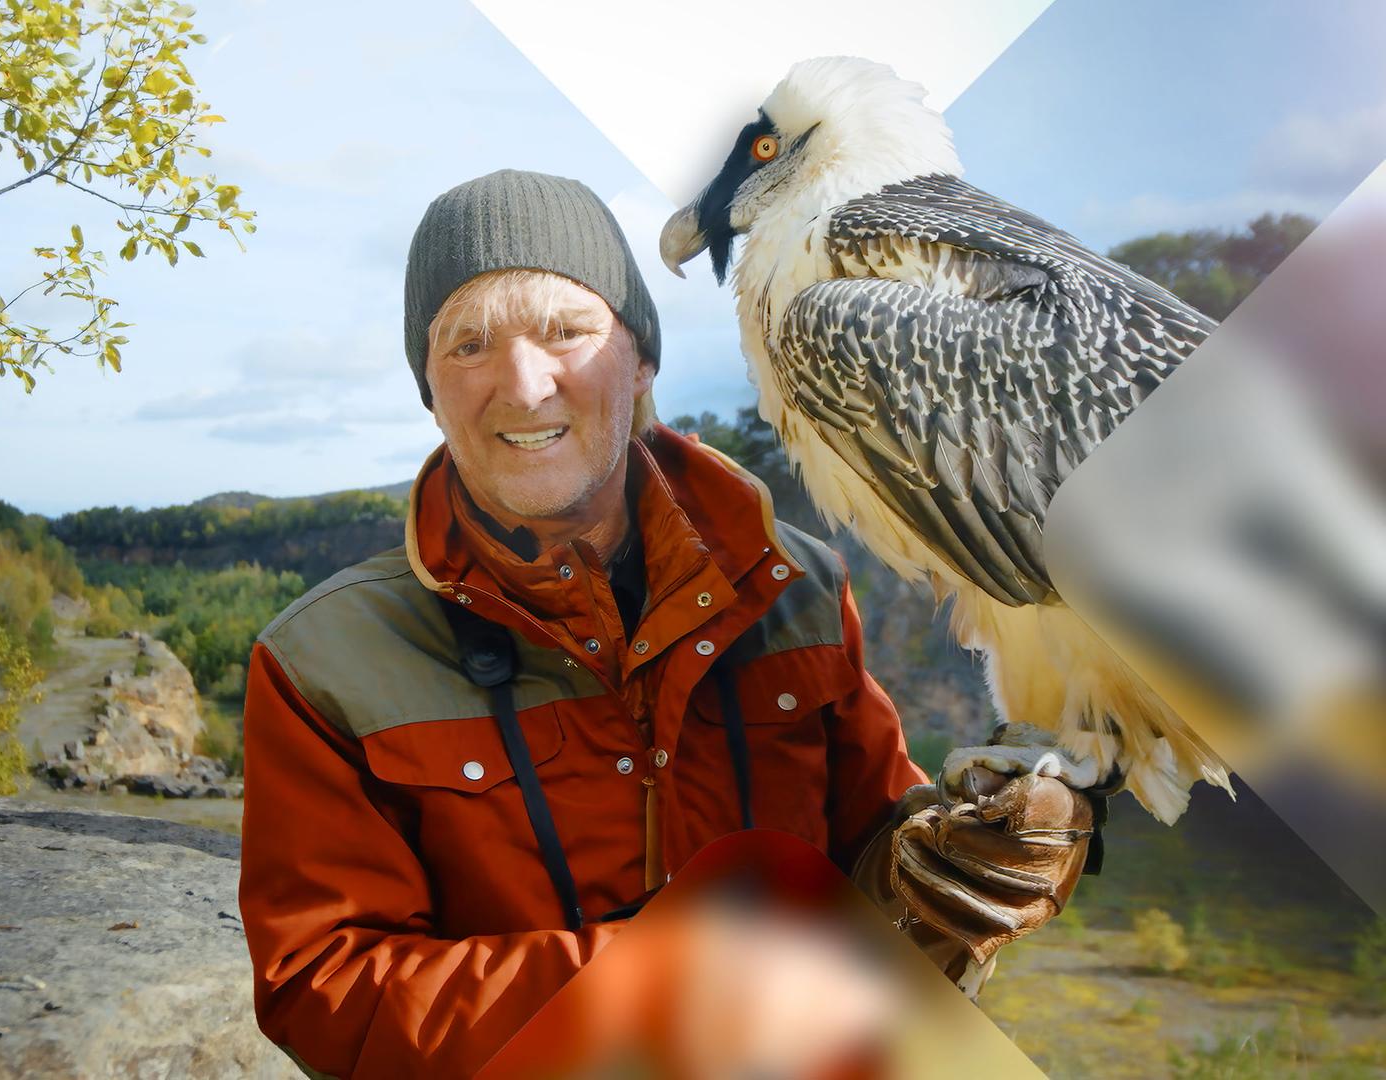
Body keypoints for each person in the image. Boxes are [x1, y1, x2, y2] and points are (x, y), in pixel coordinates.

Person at [236, 169, 1088, 1079]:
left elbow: (870, 869)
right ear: (430, 391)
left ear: (640, 360)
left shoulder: (795, 586)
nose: (523, 385)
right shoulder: (322, 662)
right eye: (468, 344)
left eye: (566, 331)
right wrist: (665, 985)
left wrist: (972, 858)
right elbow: (324, 988)